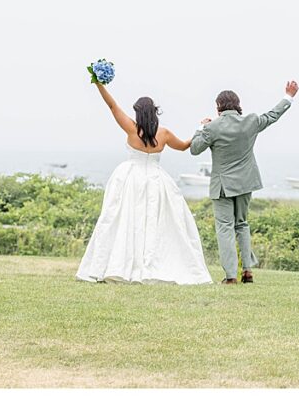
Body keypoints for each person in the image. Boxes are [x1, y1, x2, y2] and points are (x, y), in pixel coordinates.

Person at [76, 82, 212, 285]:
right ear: (155, 113)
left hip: (130, 179)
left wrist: (98, 84)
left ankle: (118, 264)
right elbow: (184, 146)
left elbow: (112, 106)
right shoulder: (164, 134)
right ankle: (152, 262)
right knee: (155, 223)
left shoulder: (132, 129)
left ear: (138, 114)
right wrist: (200, 128)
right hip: (157, 181)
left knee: (123, 220)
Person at [191, 81, 299, 284]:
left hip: (223, 186)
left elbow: (195, 148)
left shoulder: (212, 127)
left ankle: (231, 276)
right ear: (237, 104)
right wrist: (288, 96)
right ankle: (247, 271)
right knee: (242, 224)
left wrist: (201, 127)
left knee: (225, 228)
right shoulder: (251, 121)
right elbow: (272, 115)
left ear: (218, 107)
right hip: (246, 183)